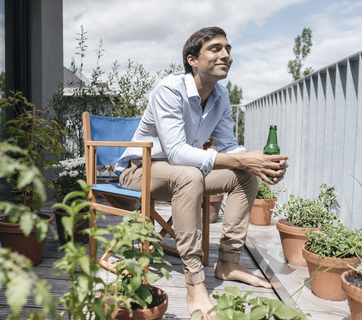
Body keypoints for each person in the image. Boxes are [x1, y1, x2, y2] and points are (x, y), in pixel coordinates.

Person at [114, 26, 288, 319]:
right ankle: (194, 281)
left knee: (245, 175)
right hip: (140, 169)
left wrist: (256, 161)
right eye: (216, 48)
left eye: (229, 49)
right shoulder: (169, 89)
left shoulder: (220, 96)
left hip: (181, 172)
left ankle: (228, 262)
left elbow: (229, 145)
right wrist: (242, 160)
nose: (226, 55)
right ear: (192, 59)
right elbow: (177, 153)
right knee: (191, 175)